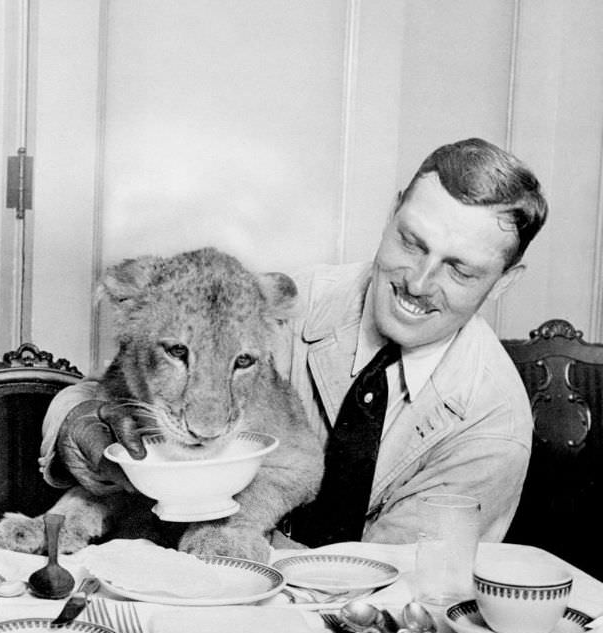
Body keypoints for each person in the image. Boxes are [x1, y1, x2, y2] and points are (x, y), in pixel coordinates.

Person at [39, 137, 547, 546]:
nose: (418, 281)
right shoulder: (272, 302)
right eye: (411, 242)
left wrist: (245, 538)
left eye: (459, 269)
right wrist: (76, 424)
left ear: (503, 282)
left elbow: (400, 588)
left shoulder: (492, 425)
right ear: (391, 214)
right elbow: (115, 383)